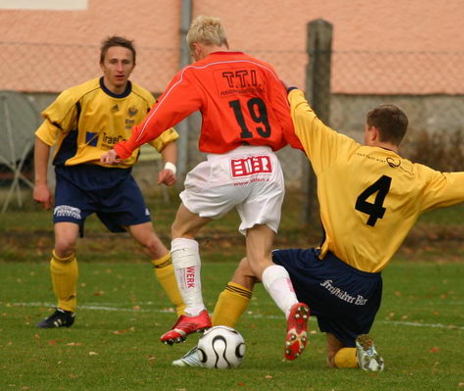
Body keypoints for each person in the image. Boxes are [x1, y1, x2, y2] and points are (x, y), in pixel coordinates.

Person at [175, 87, 464, 370]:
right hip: (367, 287)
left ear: (372, 132)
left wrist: (292, 93)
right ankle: (361, 355)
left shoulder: (341, 152)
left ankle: (213, 341)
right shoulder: (421, 180)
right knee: (334, 356)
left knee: (249, 265)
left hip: (327, 268)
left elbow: (306, 120)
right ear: (399, 137)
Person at [100, 16, 309, 360]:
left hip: (227, 164)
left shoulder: (196, 72)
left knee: (182, 229)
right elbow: (288, 124)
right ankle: (292, 307)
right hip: (268, 165)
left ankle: (195, 311)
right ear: (224, 40)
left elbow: (160, 117)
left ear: (196, 47)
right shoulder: (264, 69)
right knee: (259, 257)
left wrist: (123, 149)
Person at [34, 36, 185, 328]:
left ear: (133, 65)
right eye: (113, 61)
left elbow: (168, 139)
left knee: (151, 243)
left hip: (117, 181)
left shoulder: (142, 101)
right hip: (75, 179)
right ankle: (65, 312)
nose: (119, 67)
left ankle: (186, 309)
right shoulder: (77, 97)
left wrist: (169, 166)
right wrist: (41, 184)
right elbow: (43, 138)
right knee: (64, 243)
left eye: (125, 62)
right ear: (102, 63)